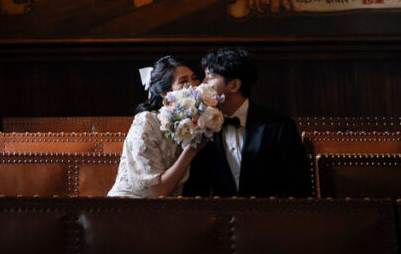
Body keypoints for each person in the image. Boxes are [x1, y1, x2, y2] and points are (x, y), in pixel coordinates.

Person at [183, 46, 311, 198]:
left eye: (209, 76)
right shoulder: (203, 127)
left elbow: (298, 187)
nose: (202, 83)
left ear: (234, 85)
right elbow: (197, 188)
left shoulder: (279, 126)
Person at [108, 56, 203, 198]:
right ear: (164, 93)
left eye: (195, 78)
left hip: (170, 209)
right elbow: (158, 192)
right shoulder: (147, 120)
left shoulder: (197, 120)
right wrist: (190, 150)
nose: (194, 85)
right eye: (184, 81)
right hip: (131, 207)